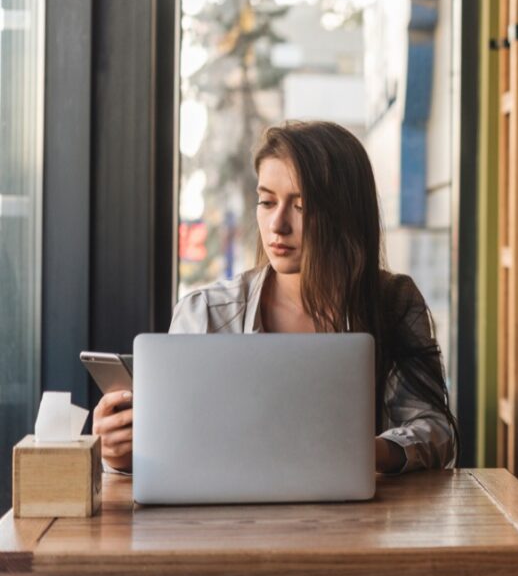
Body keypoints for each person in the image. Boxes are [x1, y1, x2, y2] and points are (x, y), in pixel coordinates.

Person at [93, 120, 458, 474]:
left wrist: (371, 451)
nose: (277, 225)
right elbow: (167, 447)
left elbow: (436, 429)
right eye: (267, 202)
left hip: (355, 524)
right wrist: (122, 456)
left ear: (345, 216)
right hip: (228, 525)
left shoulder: (392, 303)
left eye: (301, 207)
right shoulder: (205, 313)